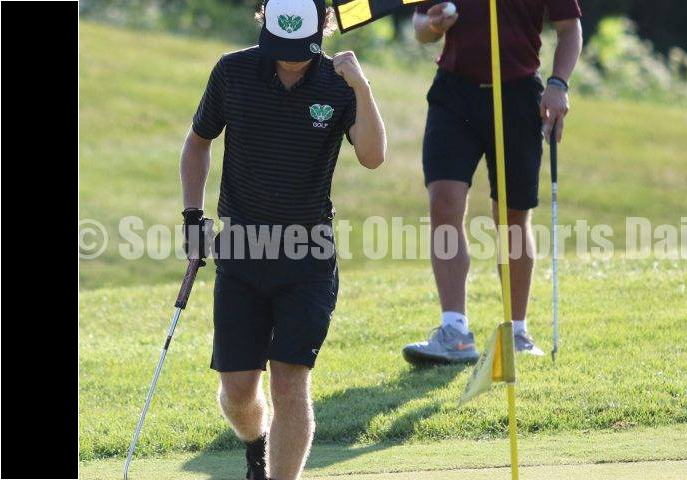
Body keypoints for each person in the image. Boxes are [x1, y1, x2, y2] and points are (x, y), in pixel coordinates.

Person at [180, 0, 386, 478]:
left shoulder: (339, 83)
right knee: (237, 393)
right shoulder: (233, 72)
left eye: (300, 49)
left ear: (324, 29)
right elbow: (197, 143)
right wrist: (193, 217)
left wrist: (362, 85)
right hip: (242, 251)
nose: (290, 58)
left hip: (308, 255)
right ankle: (257, 443)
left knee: (290, 384)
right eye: (281, 47)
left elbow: (374, 157)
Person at [402, 0, 582, 365]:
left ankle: (516, 331)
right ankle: (454, 331)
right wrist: (434, 25)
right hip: (453, 94)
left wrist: (558, 84)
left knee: (512, 216)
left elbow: (569, 29)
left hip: (517, 95)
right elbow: (421, 24)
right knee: (443, 205)